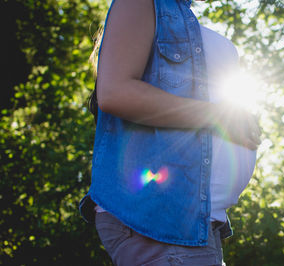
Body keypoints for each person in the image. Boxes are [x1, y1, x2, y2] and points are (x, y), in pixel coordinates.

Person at [79, 0, 261, 265]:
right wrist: (219, 116)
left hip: (193, 226)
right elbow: (116, 93)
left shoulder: (182, 17)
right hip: (161, 223)